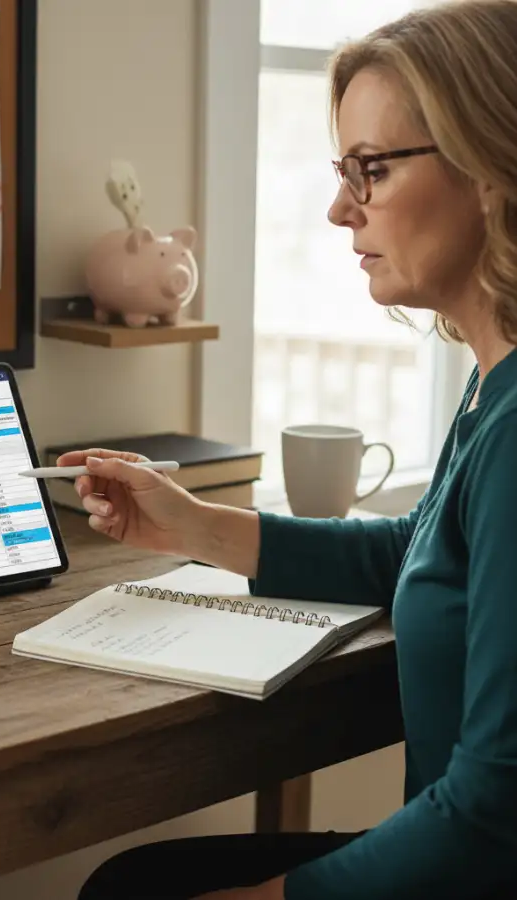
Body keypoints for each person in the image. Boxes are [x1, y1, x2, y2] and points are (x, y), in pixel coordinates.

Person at [64, 2, 517, 898]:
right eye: (343, 170)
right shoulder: (491, 383)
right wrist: (195, 527)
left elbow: (496, 813)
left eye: (372, 170)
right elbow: (413, 554)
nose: (339, 207)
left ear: (493, 165)